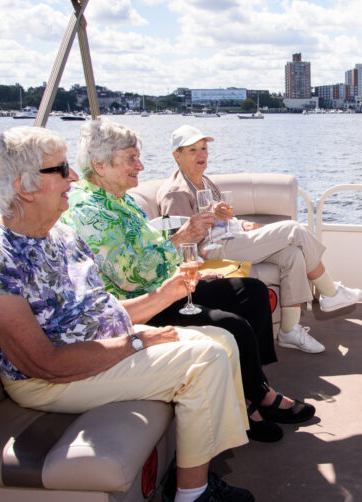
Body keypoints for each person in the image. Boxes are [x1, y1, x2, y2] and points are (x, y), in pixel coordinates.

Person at [0, 126, 260, 502]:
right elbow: (43, 363)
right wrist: (136, 343)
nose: (72, 179)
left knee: (221, 339)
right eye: (60, 170)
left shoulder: (60, 237)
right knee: (205, 358)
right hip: (53, 378)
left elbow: (104, 311)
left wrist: (167, 294)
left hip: (104, 347)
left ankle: (196, 481)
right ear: (23, 186)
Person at [61, 119, 315, 444]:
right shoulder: (92, 213)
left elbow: (152, 246)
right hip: (142, 306)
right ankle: (253, 405)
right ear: (99, 164)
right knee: (233, 325)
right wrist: (183, 239)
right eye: (131, 159)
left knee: (251, 291)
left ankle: (256, 388)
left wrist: (193, 258)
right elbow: (133, 276)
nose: (140, 166)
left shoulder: (120, 200)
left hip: (168, 285)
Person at [157, 125, 362, 354]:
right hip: (211, 251)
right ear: (177, 155)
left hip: (229, 238)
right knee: (293, 229)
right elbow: (182, 244)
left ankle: (289, 331)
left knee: (292, 255)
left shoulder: (205, 182)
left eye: (203, 148)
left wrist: (241, 223)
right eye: (192, 150)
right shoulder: (176, 193)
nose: (202, 154)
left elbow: (223, 217)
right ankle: (330, 292)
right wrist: (214, 223)